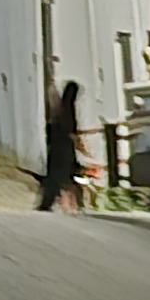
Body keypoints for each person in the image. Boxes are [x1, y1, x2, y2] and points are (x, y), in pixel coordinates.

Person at [39, 77, 84, 211]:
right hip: (66, 147)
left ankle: (49, 202)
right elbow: (70, 129)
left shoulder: (58, 109)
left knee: (54, 177)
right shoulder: (69, 110)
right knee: (66, 176)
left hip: (56, 147)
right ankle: (73, 204)